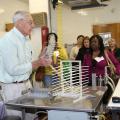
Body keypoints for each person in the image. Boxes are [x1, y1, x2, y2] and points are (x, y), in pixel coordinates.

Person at [0, 11, 51, 119]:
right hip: (13, 88)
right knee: (17, 118)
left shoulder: (27, 40)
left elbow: (29, 65)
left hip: (27, 85)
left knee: (31, 117)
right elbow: (12, 69)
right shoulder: (8, 40)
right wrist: (36, 63)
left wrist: (40, 59)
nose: (33, 26)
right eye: (30, 22)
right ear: (19, 23)